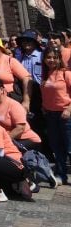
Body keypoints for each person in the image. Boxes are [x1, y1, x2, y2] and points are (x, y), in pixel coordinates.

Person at [40, 45, 71, 185]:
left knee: (69, 147)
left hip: (66, 115)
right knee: (56, 147)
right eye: (48, 57)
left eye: (55, 57)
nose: (51, 60)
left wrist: (69, 109)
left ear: (59, 59)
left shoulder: (66, 74)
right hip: (51, 115)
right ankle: (61, 174)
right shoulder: (46, 74)